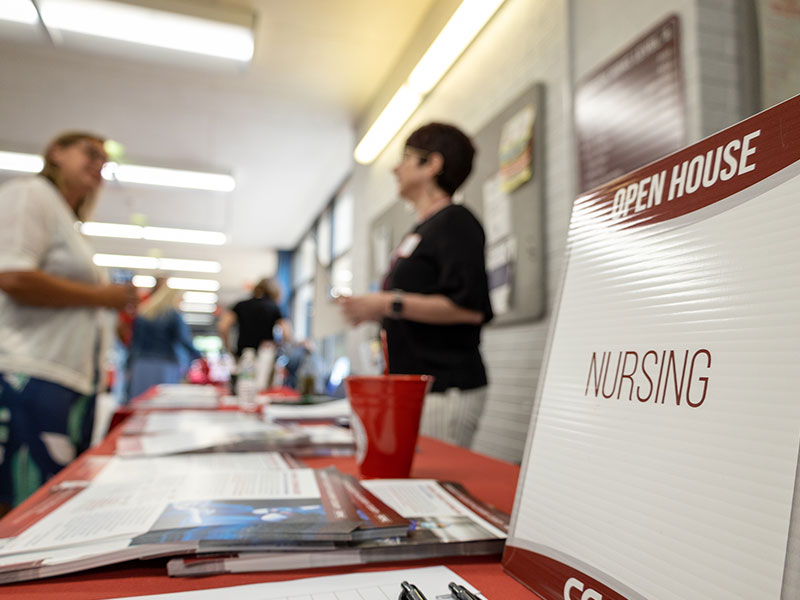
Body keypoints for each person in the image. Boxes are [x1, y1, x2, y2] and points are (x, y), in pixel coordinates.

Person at [0, 131, 139, 513]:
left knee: (47, 503)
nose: (98, 165)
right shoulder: (31, 194)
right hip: (30, 373)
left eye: (104, 162)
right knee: (22, 506)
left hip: (68, 379)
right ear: (56, 153)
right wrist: (101, 297)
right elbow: (12, 275)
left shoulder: (68, 221)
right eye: (90, 153)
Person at [340, 122, 493, 448]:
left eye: (406, 157)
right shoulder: (420, 230)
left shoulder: (456, 223)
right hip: (413, 386)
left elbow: (469, 309)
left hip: (445, 388)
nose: (396, 168)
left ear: (432, 165)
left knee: (432, 483)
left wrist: (386, 303)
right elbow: (412, 304)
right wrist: (370, 309)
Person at [125, 285, 201, 402]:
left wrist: (129, 364)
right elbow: (184, 340)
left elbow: (135, 343)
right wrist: (199, 356)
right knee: (161, 401)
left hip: (141, 364)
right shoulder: (173, 315)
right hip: (165, 364)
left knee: (140, 401)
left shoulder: (143, 313)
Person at [218, 277, 292, 358]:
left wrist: (228, 348)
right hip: (265, 352)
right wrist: (279, 346)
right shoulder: (274, 307)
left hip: (243, 352)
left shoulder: (241, 305)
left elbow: (223, 327)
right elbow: (286, 333)